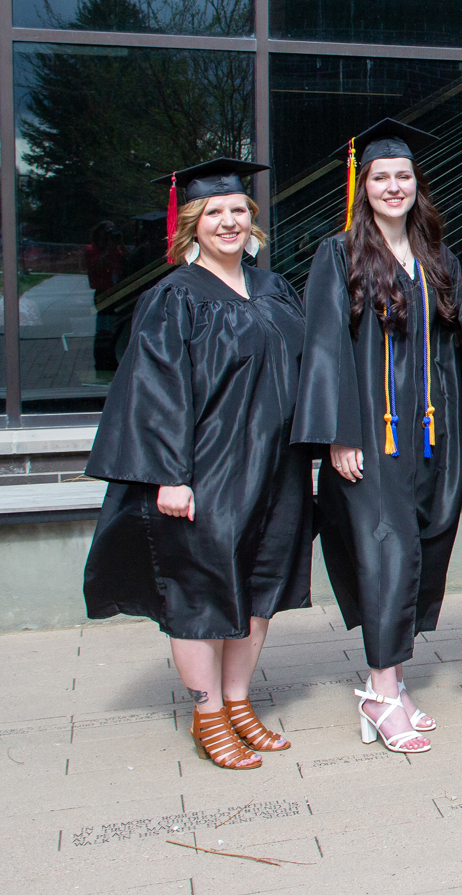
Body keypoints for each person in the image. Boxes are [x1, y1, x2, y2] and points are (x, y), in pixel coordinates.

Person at [84, 158, 311, 771]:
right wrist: (168, 475)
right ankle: (207, 712)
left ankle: (239, 703)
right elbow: (152, 390)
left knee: (261, 589)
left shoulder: (275, 288)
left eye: (238, 211)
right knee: (201, 591)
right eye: (214, 213)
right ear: (191, 225)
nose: (229, 221)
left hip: (277, 467)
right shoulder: (172, 298)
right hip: (206, 468)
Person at [294, 118, 462, 756]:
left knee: (425, 544)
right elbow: (322, 347)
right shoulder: (337, 255)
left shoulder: (439, 258)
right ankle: (380, 691)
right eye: (381, 177)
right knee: (385, 552)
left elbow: (451, 351)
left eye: (403, 176)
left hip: (428, 435)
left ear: (418, 186)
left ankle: (394, 678)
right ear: (362, 186)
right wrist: (338, 434)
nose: (393, 187)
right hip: (369, 436)